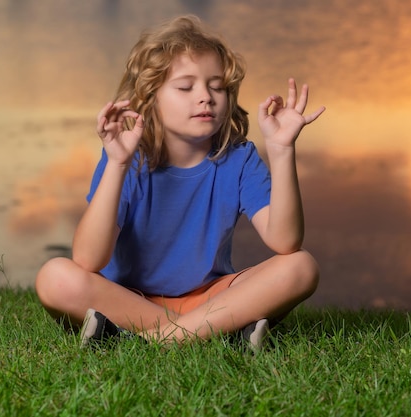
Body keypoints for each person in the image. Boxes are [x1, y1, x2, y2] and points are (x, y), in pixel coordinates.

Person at [35, 15, 324, 350]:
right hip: (128, 299)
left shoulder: (239, 158)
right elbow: (88, 261)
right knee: (55, 276)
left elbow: (285, 242)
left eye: (217, 86)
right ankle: (216, 331)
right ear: (150, 98)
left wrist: (281, 149)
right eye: (186, 87)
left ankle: (151, 337)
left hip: (209, 297)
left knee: (301, 266)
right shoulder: (128, 158)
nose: (205, 97)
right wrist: (117, 164)